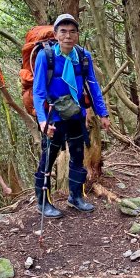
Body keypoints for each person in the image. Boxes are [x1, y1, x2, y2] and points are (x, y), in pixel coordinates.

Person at [33, 13, 111, 219]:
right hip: (54, 117)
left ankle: (76, 197)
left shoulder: (83, 56)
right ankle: (43, 203)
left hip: (77, 115)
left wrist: (103, 113)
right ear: (56, 34)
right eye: (63, 31)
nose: (68, 36)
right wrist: (42, 120)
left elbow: (93, 86)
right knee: (48, 160)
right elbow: (38, 91)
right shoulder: (46, 56)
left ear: (77, 34)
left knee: (77, 156)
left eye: (72, 31)